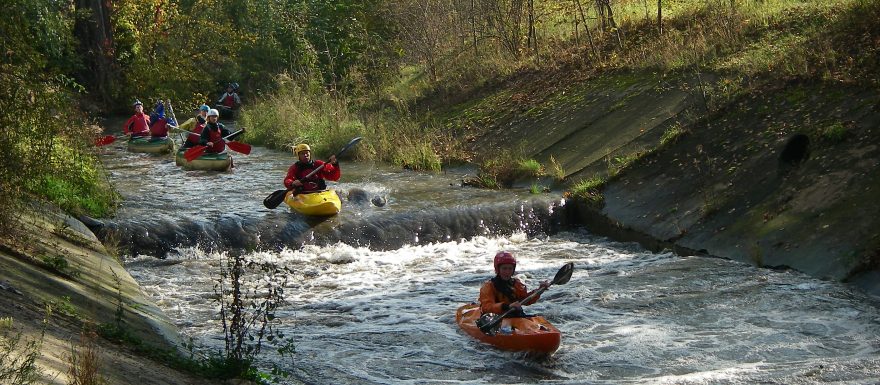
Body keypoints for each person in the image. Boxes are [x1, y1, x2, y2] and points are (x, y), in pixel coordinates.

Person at [479, 251, 549, 317]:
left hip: (514, 316)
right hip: (496, 318)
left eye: (510, 268)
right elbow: (486, 307)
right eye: (504, 268)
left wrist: (539, 291)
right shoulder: (489, 286)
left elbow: (525, 300)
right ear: (498, 269)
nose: (507, 272)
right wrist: (507, 306)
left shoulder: (516, 284)